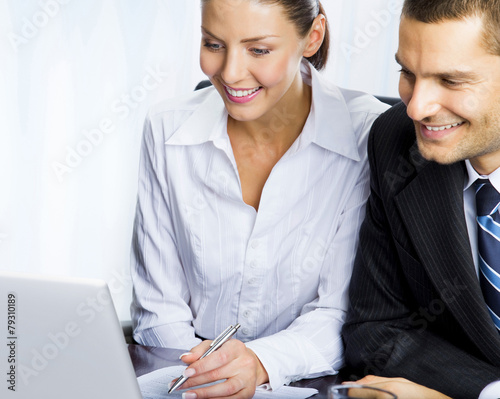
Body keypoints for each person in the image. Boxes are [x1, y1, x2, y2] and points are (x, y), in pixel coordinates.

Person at [130, 0, 388, 397]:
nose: (230, 73)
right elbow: (158, 307)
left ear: (312, 38)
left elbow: (341, 312)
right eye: (213, 44)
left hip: (309, 381)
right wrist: (202, 380)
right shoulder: (166, 128)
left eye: (259, 50)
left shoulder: (369, 134)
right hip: (183, 376)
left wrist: (259, 363)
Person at [342, 0, 500, 398]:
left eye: (451, 81)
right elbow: (375, 331)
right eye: (407, 73)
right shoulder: (395, 141)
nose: (416, 107)